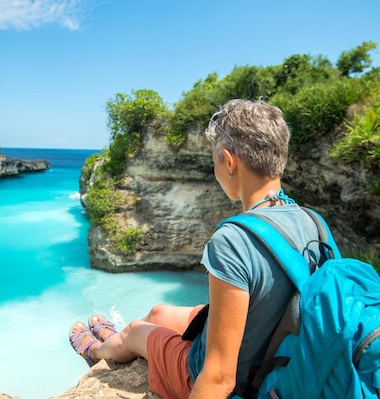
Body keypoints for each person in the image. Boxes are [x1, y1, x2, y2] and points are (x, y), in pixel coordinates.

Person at [69, 99, 325, 399]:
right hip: (278, 348)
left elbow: (218, 379)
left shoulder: (233, 241)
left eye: (214, 159)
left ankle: (98, 349)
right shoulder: (314, 221)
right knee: (158, 312)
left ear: (229, 162)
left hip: (241, 377)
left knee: (136, 330)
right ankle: (113, 342)